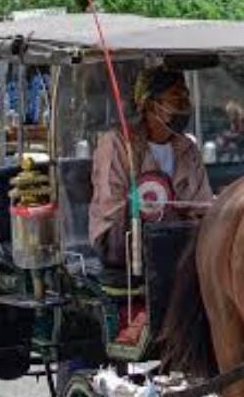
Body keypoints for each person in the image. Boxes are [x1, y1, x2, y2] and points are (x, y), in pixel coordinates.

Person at [89, 66, 212, 269]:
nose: (185, 105)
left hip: (180, 240)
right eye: (176, 97)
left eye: (186, 97)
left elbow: (202, 203)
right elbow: (113, 207)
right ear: (150, 104)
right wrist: (164, 215)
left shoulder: (188, 148)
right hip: (122, 241)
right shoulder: (117, 144)